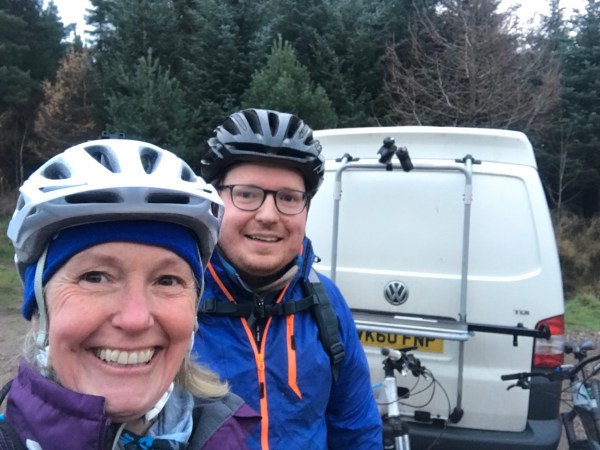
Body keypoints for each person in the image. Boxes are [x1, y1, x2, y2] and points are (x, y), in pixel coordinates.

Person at [0, 139, 259, 450]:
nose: (135, 319)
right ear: (39, 309)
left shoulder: (228, 436)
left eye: (167, 280)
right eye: (95, 277)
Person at [194, 108, 382, 449]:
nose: (268, 215)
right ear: (214, 201)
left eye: (288, 198)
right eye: (247, 194)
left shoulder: (325, 301)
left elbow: (356, 430)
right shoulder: (178, 300)